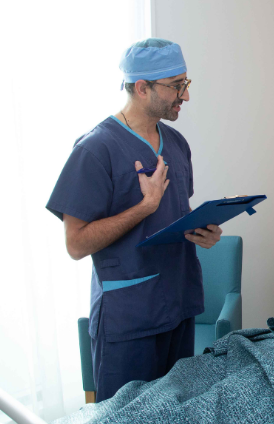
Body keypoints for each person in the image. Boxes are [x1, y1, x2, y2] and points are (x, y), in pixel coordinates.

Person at [46, 38, 222, 402]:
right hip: (130, 317)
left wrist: (201, 230)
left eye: (185, 84)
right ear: (142, 88)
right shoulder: (95, 150)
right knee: (126, 415)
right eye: (176, 86)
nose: (185, 96)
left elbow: (175, 214)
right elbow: (75, 244)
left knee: (177, 411)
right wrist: (144, 207)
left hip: (178, 303)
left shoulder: (176, 144)